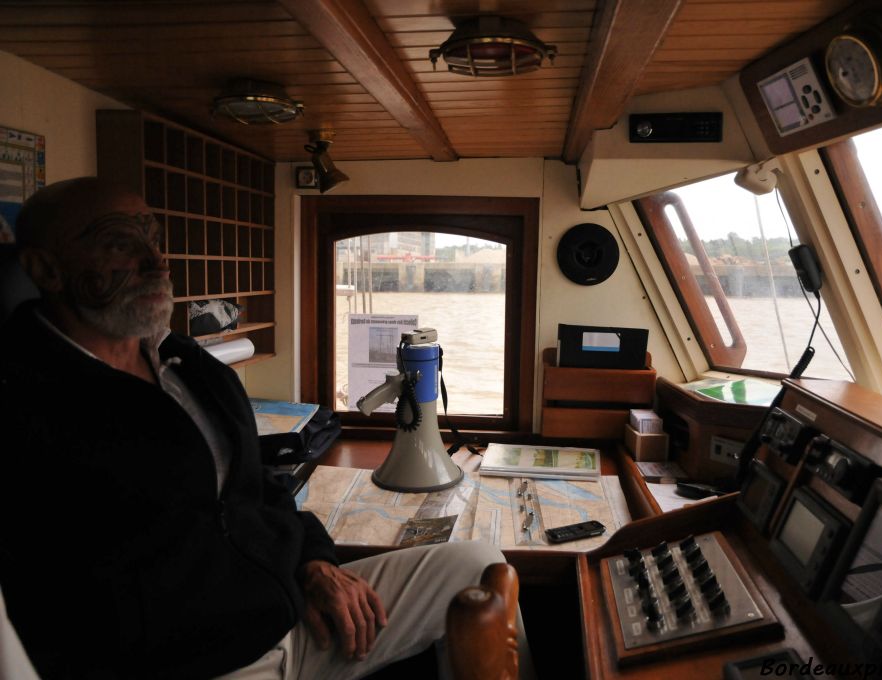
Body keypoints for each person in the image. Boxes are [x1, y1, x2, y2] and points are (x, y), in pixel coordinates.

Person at [0, 178, 526, 679]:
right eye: (118, 243)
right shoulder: (28, 407)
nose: (156, 261)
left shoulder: (189, 368)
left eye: (153, 239)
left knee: (481, 566)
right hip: (203, 665)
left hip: (293, 616)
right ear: (45, 269)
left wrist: (316, 565)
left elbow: (262, 490)